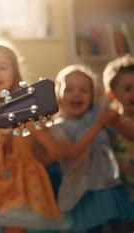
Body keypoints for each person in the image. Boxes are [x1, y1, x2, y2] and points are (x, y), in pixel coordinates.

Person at [0, 39, 67, 233]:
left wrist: (35, 153)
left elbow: (54, 151)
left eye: (2, 67)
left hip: (20, 185)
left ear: (15, 70)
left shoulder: (30, 110)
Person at [33, 64, 134, 232]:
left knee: (123, 226)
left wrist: (111, 119)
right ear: (58, 96)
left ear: (93, 96)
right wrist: (98, 125)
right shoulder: (58, 127)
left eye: (84, 90)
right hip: (82, 192)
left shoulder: (96, 113)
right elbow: (73, 154)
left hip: (107, 184)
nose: (76, 94)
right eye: (69, 89)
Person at [102, 55, 134, 231]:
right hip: (121, 193)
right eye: (128, 88)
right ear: (112, 94)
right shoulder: (109, 121)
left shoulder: (115, 123)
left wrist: (116, 123)